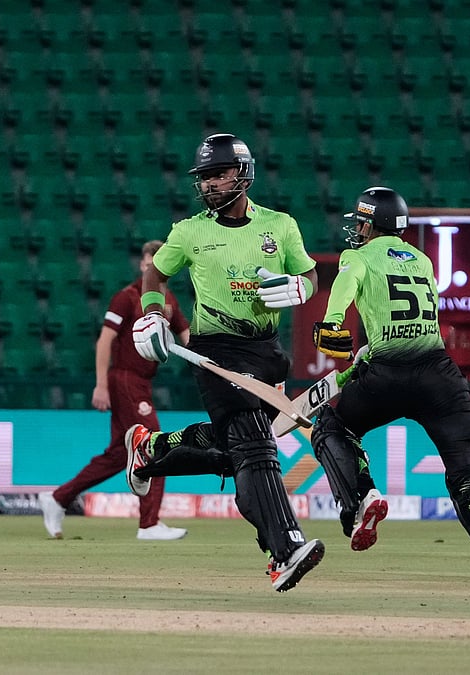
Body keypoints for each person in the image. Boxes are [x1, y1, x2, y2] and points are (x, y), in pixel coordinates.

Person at [127, 133, 326, 592]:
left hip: (266, 350)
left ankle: (150, 451)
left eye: (219, 174)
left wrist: (304, 288)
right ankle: (285, 549)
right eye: (205, 178)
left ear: (243, 173)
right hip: (215, 349)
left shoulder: (280, 226)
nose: (210, 184)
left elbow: (310, 272)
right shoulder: (190, 231)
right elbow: (155, 271)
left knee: (236, 449)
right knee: (257, 448)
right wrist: (153, 313)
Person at [309, 186, 470, 580]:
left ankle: (361, 500)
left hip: (387, 374)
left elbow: (343, 293)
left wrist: (332, 324)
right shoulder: (422, 261)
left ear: (373, 223)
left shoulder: (357, 256)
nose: (357, 227)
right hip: (440, 374)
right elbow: (414, 323)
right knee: (467, 468)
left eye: (361, 221)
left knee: (331, 427)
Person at [38, 241, 190, 541]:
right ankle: (149, 524)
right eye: (148, 262)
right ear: (141, 264)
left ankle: (58, 498)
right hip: (125, 380)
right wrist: (101, 384)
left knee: (120, 455)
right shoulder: (127, 297)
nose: (151, 268)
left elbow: (186, 335)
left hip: (143, 382)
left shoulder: (168, 300)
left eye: (158, 263)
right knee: (154, 445)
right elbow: (104, 341)